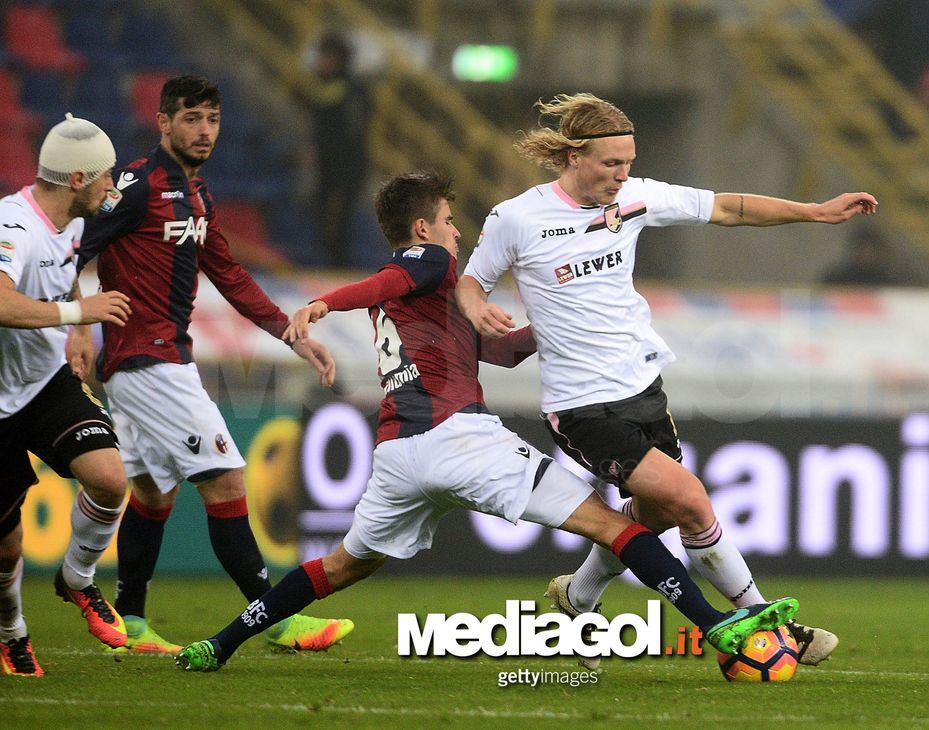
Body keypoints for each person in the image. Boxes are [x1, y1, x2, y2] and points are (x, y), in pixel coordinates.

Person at [174, 171, 799, 671]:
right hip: (461, 439)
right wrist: (322, 303)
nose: (457, 232)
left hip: (398, 455)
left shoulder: (420, 301)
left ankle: (219, 645)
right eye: (449, 220)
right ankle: (716, 624)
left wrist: (558, 320)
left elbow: (496, 352)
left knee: (339, 567)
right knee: (614, 525)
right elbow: (387, 276)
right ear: (423, 227)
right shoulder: (430, 263)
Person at [456, 93, 879, 669]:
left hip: (643, 388)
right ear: (575, 157)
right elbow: (471, 282)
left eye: (628, 162)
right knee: (690, 500)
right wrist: (477, 308)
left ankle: (579, 594)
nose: (622, 174)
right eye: (611, 163)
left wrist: (816, 211)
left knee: (655, 514)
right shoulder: (517, 218)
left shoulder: (634, 198)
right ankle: (772, 622)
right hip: (582, 406)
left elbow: (727, 208)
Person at [73, 74, 352, 655]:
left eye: (213, 119)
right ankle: (276, 618)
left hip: (154, 360)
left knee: (154, 492)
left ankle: (132, 622)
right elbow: (73, 247)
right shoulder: (138, 185)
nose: (204, 131)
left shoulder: (197, 194)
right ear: (164, 123)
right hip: (147, 360)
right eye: (192, 118)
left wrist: (291, 334)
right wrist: (76, 322)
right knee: (225, 479)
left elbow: (228, 273)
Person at [0, 114, 134, 676]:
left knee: (110, 479)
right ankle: (11, 631)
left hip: (43, 382)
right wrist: (81, 313)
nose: (112, 186)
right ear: (78, 178)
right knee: (7, 548)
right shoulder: (14, 225)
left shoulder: (73, 220)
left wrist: (78, 332)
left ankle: (77, 578)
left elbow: (67, 267)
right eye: (106, 175)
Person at [308, 31, 375, 268]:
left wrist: (322, 150)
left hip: (346, 166)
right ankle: (331, 264)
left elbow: (352, 131)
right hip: (330, 166)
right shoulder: (328, 88)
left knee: (339, 221)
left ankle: (339, 267)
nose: (320, 61)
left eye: (324, 56)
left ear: (336, 58)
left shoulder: (350, 90)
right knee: (324, 218)